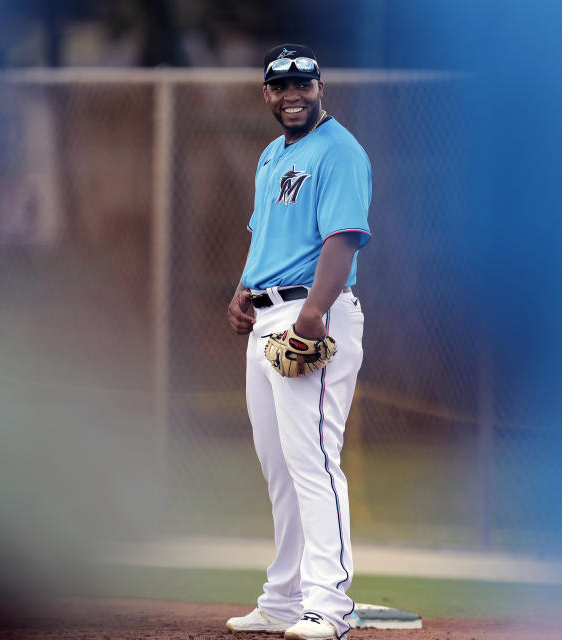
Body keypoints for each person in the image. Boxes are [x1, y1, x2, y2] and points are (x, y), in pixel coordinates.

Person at [225, 44, 371, 640]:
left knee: (312, 459)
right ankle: (283, 599)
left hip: (312, 313)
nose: (292, 95)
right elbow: (267, 235)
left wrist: (313, 312)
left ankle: (329, 604)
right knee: (279, 465)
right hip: (268, 315)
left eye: (302, 85)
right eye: (280, 86)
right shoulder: (271, 155)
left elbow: (344, 236)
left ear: (320, 86)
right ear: (266, 93)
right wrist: (242, 291)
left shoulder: (339, 150)